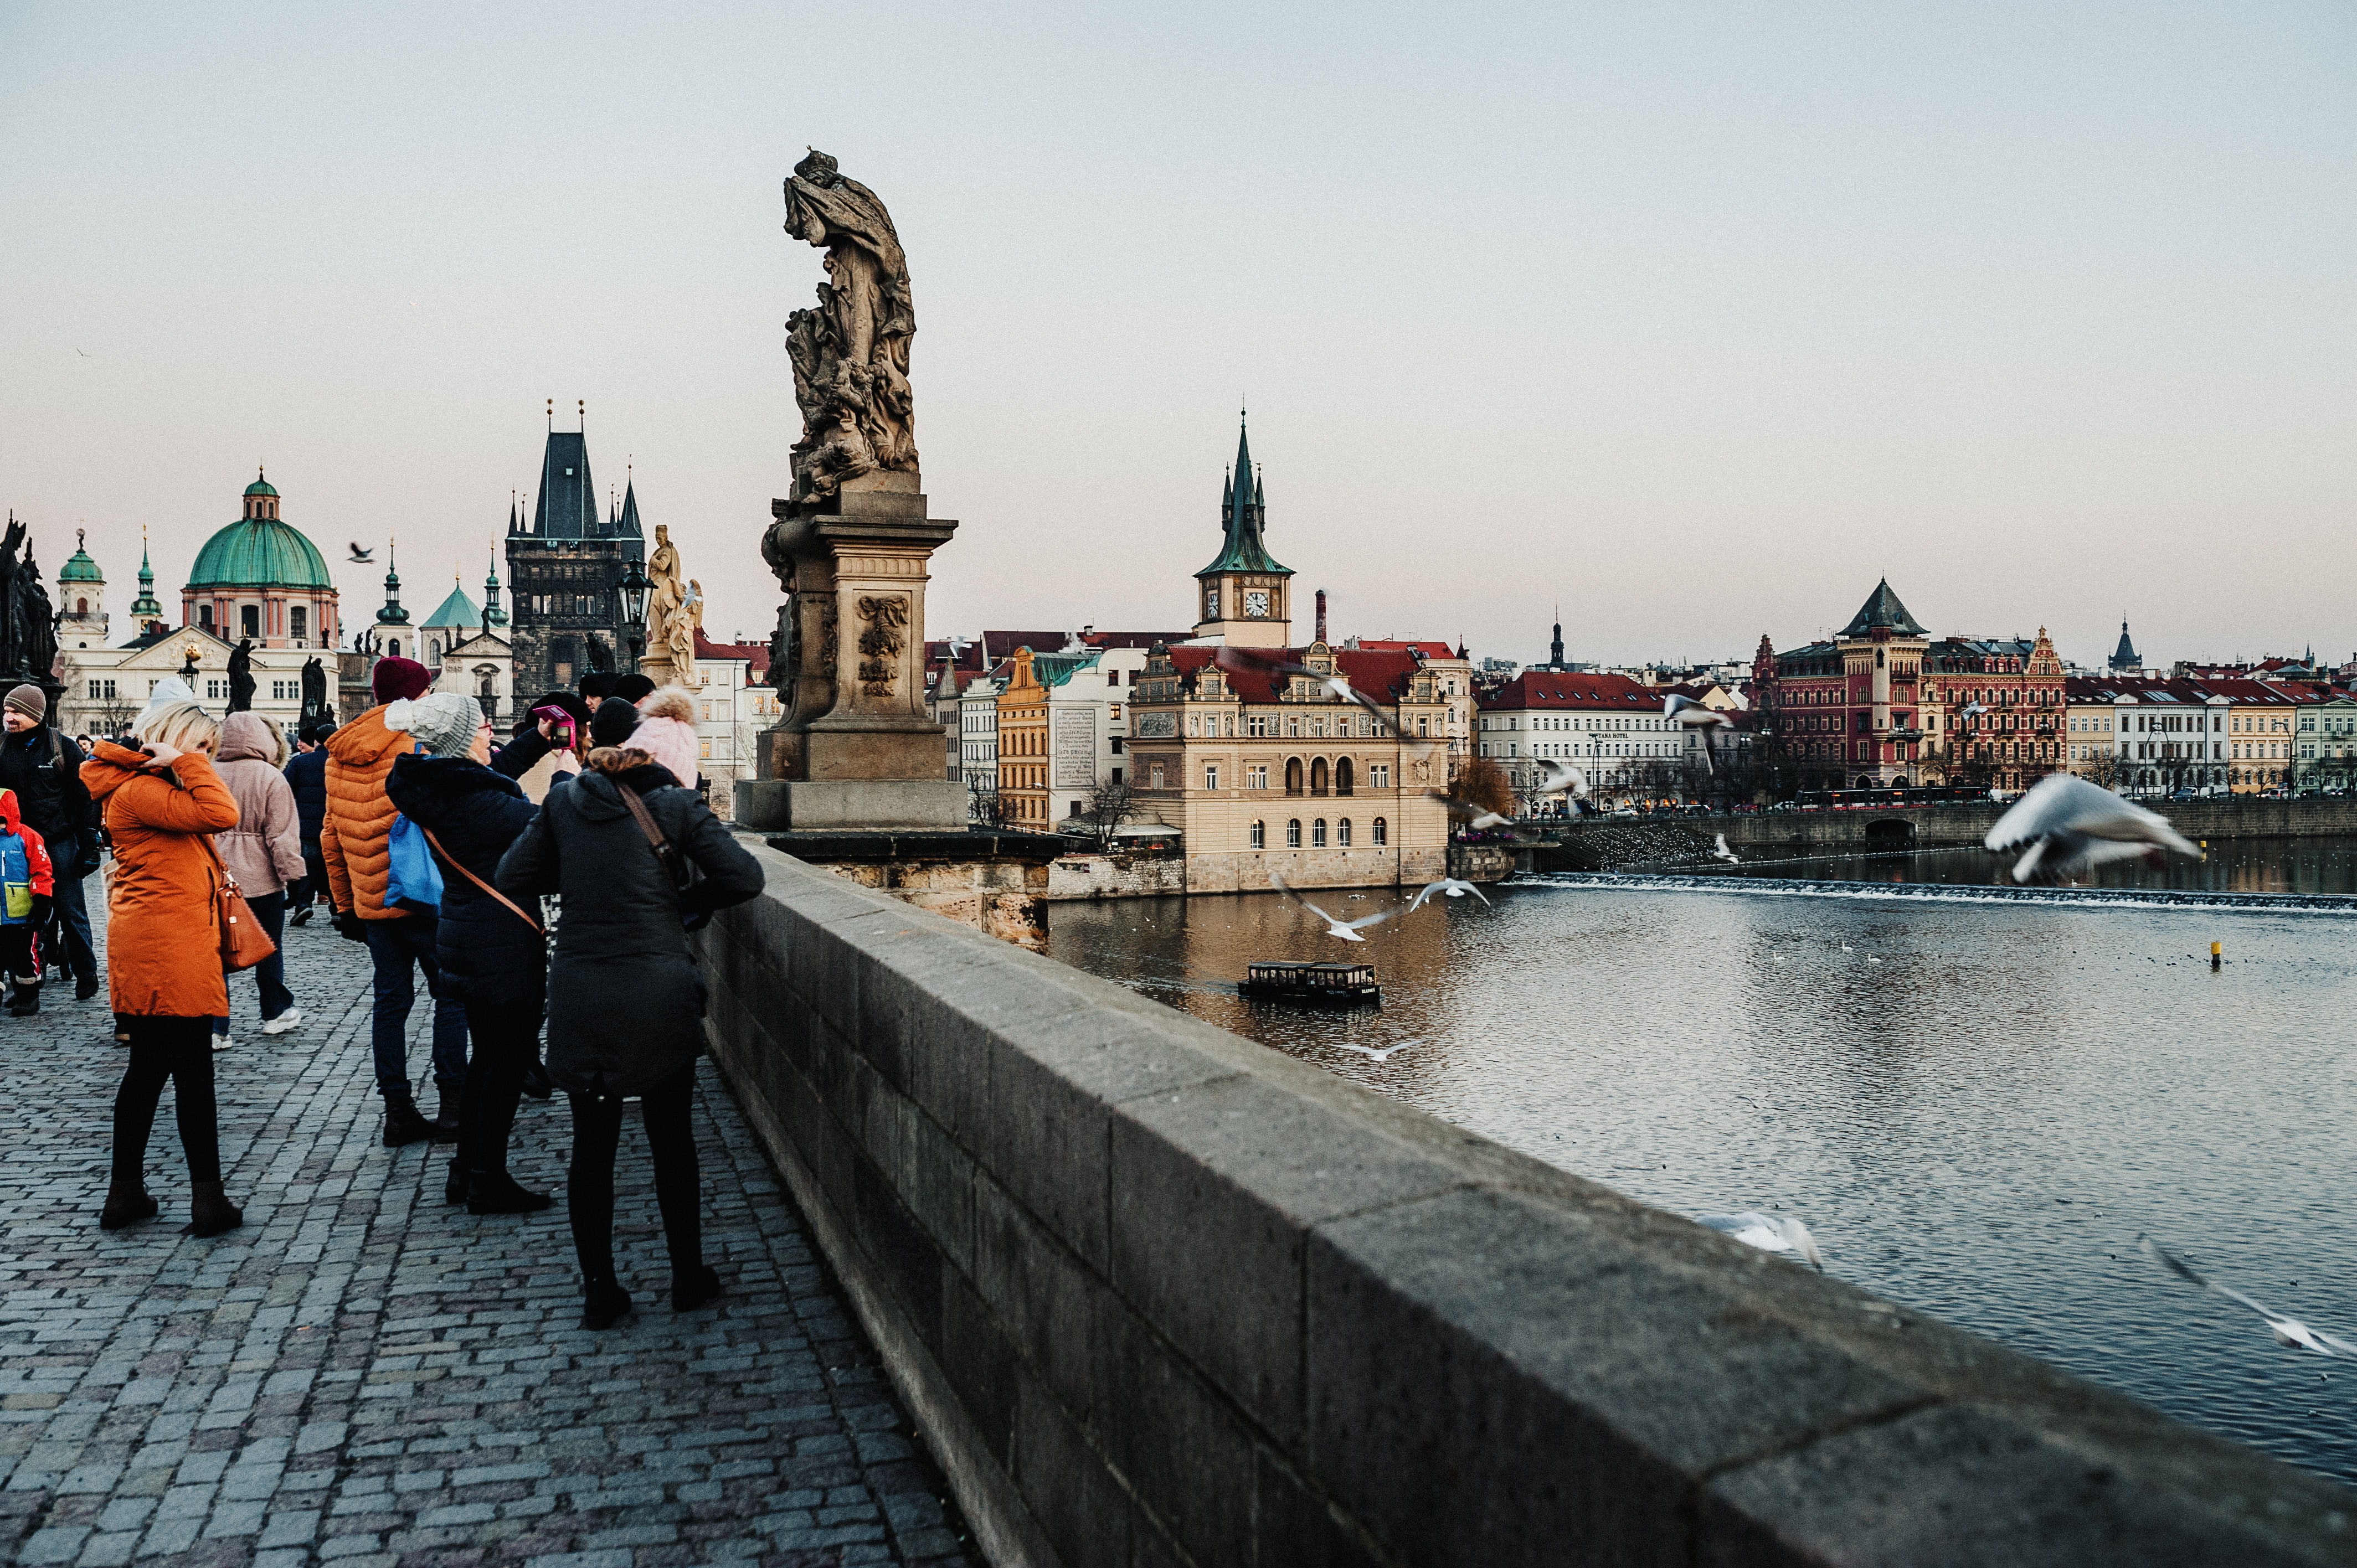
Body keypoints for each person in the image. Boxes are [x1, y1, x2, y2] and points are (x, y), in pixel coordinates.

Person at [497, 697, 762, 1328]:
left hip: (582, 989)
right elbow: (745, 879)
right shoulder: (675, 806)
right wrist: (687, 903)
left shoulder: (565, 802)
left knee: (592, 1148)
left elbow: (514, 875)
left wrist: (585, 877)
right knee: (672, 1142)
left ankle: (599, 1291)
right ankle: (686, 1278)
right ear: (673, 767)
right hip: (656, 992)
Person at [384, 693, 553, 1214]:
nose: (490, 734)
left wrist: (537, 742)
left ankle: (466, 1170)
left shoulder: (442, 787)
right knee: (505, 1068)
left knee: (487, 1063)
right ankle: (488, 1179)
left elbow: (491, 772)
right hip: (498, 943)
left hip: (469, 935)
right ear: (462, 740)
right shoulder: (473, 802)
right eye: (482, 727)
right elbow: (547, 825)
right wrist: (570, 777)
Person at [84, 699, 244, 1236]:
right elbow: (225, 814)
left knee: (149, 1069)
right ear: (171, 739)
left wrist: (186, 762)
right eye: (201, 747)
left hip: (158, 941)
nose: (205, 759)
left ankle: (125, 1193)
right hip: (168, 945)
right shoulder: (143, 791)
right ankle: (208, 1201)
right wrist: (187, 761)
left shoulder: (145, 790)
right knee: (191, 1071)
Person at [320, 657, 468, 1146]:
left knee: (390, 1003)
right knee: (449, 997)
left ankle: (398, 1111)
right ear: (413, 697)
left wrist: (345, 906)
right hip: (425, 898)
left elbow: (330, 837)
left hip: (373, 902)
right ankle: (453, 1105)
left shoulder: (337, 754)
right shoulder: (416, 745)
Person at [209, 713, 306, 1048]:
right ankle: (274, 1012)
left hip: (216, 876)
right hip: (261, 878)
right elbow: (282, 836)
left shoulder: (208, 772)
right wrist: (293, 876)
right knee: (269, 947)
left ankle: (216, 1026)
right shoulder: (271, 777)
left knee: (215, 950)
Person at [0, 683, 99, 1000]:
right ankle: (26, 978)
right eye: (6, 711)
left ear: (33, 714)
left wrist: (89, 846)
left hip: (58, 841)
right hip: (15, 844)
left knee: (71, 911)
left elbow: (83, 800)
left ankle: (87, 973)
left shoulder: (63, 748)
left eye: (15, 712)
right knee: (19, 913)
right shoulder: (2, 746)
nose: (8, 717)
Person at [0, 787, 55, 1015]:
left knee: (24, 958)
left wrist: (42, 902)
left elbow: (42, 871)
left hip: (22, 915)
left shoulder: (28, 837)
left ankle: (28, 997)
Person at [284, 724, 330, 925]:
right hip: (333, 824)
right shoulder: (340, 763)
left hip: (306, 825)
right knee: (333, 867)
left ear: (317, 741)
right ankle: (339, 909)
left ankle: (303, 905)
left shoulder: (301, 763)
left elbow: (285, 790)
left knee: (307, 867)